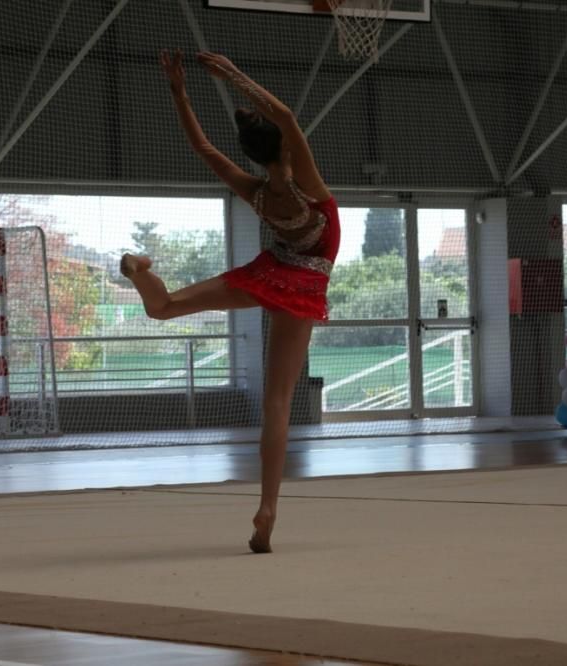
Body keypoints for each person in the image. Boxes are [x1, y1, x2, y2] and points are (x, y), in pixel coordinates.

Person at [120, 49, 340, 554]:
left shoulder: (255, 191)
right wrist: (234, 74)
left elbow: (202, 147)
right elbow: (285, 116)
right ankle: (268, 507)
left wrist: (180, 92)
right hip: (302, 289)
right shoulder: (309, 187)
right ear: (286, 148)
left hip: (266, 275)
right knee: (279, 403)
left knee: (165, 307)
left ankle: (139, 269)